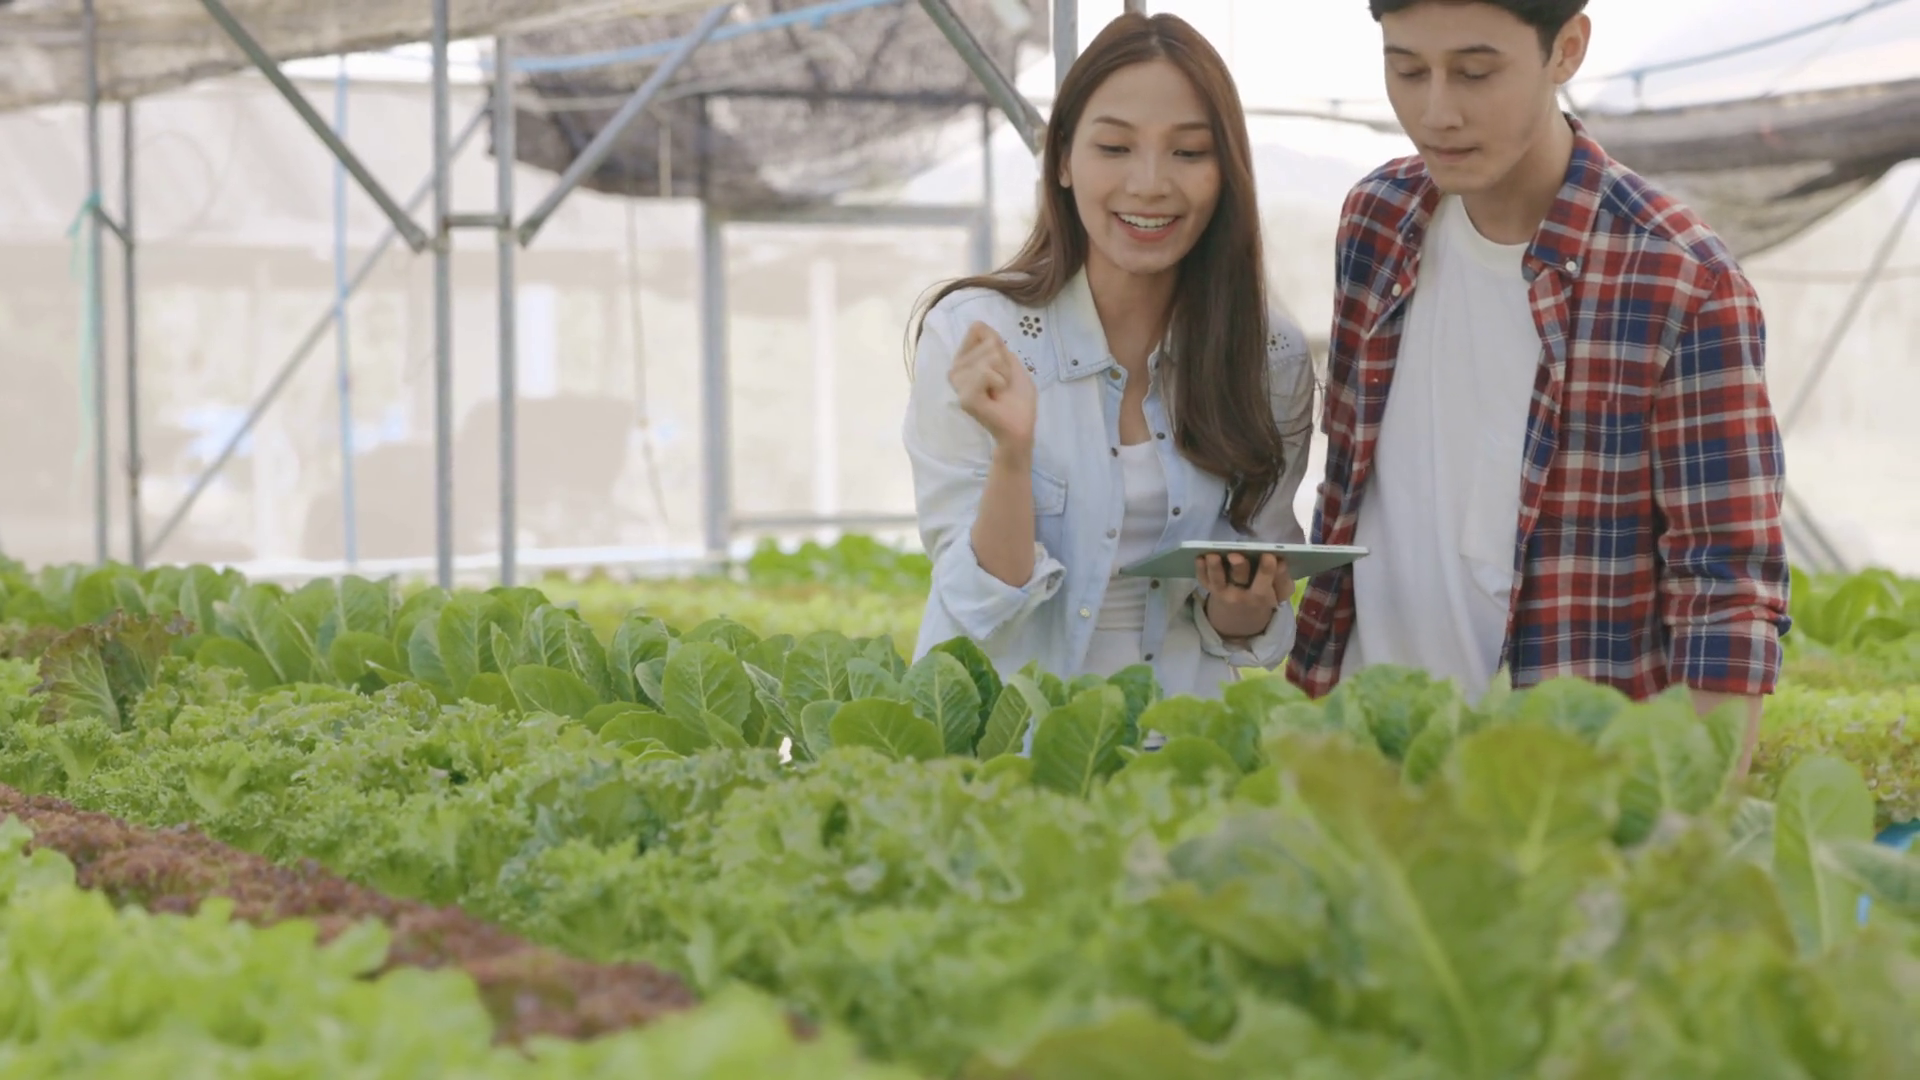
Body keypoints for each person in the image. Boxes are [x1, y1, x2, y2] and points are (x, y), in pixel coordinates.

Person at [1288, 0, 1791, 773]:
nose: (1437, 111)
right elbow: (1347, 487)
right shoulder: (1376, 222)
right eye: (1407, 69)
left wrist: (1693, 819)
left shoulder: (1678, 279)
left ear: (1567, 49)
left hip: (1552, 795)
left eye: (1475, 72)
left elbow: (1725, 594)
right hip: (1356, 765)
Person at [902, 12, 1316, 699]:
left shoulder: (1268, 355)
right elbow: (981, 604)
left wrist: (1242, 603)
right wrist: (1012, 452)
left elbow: (1243, 624)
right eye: (1116, 147)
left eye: (1189, 152)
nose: (1150, 183)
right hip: (1007, 732)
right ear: (1064, 159)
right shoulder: (976, 335)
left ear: (1227, 172)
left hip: (1179, 733)